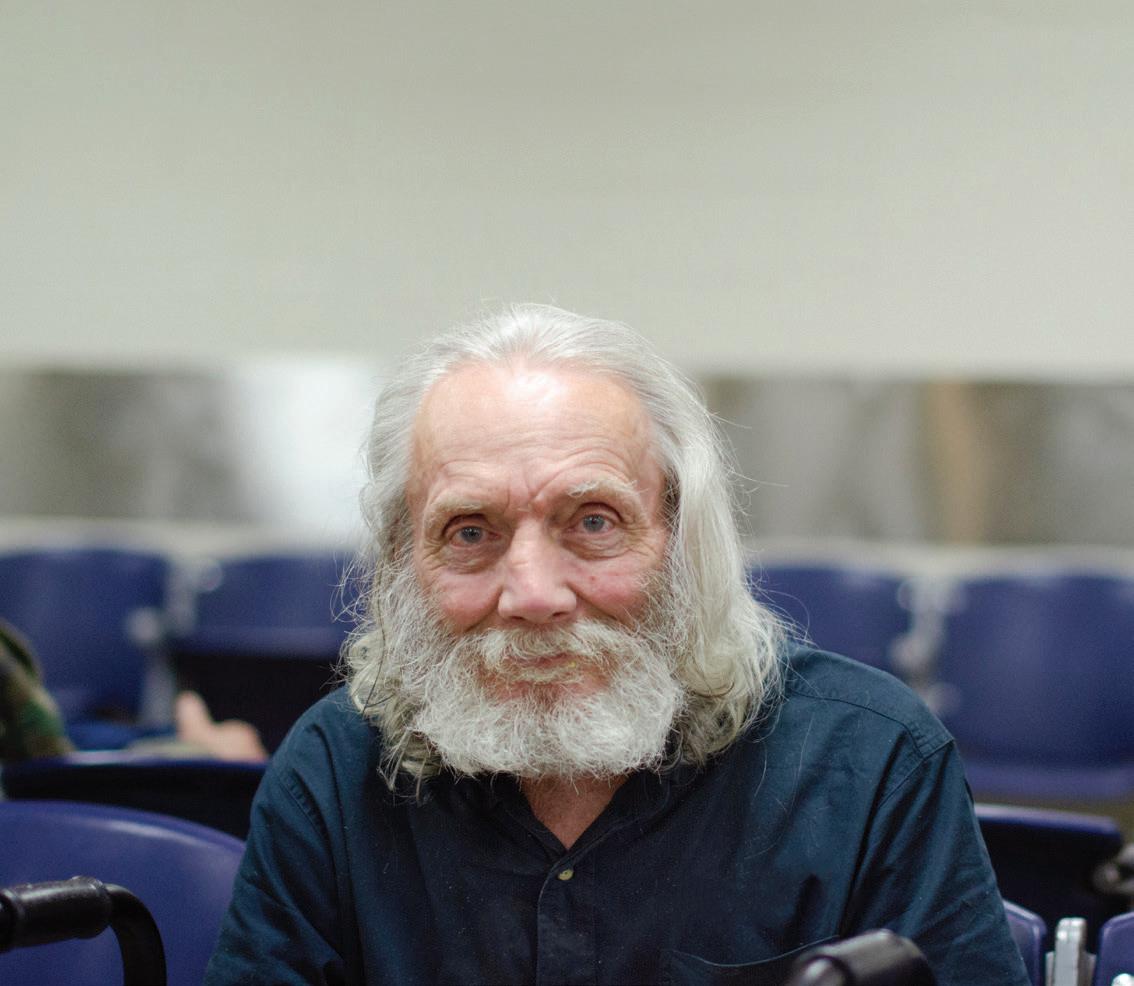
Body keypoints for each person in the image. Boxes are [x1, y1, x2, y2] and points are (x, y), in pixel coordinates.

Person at [206, 305, 1029, 985]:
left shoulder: (872, 764)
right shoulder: (333, 774)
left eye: (593, 522)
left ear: (681, 538)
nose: (534, 595)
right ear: (402, 561)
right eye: (470, 531)